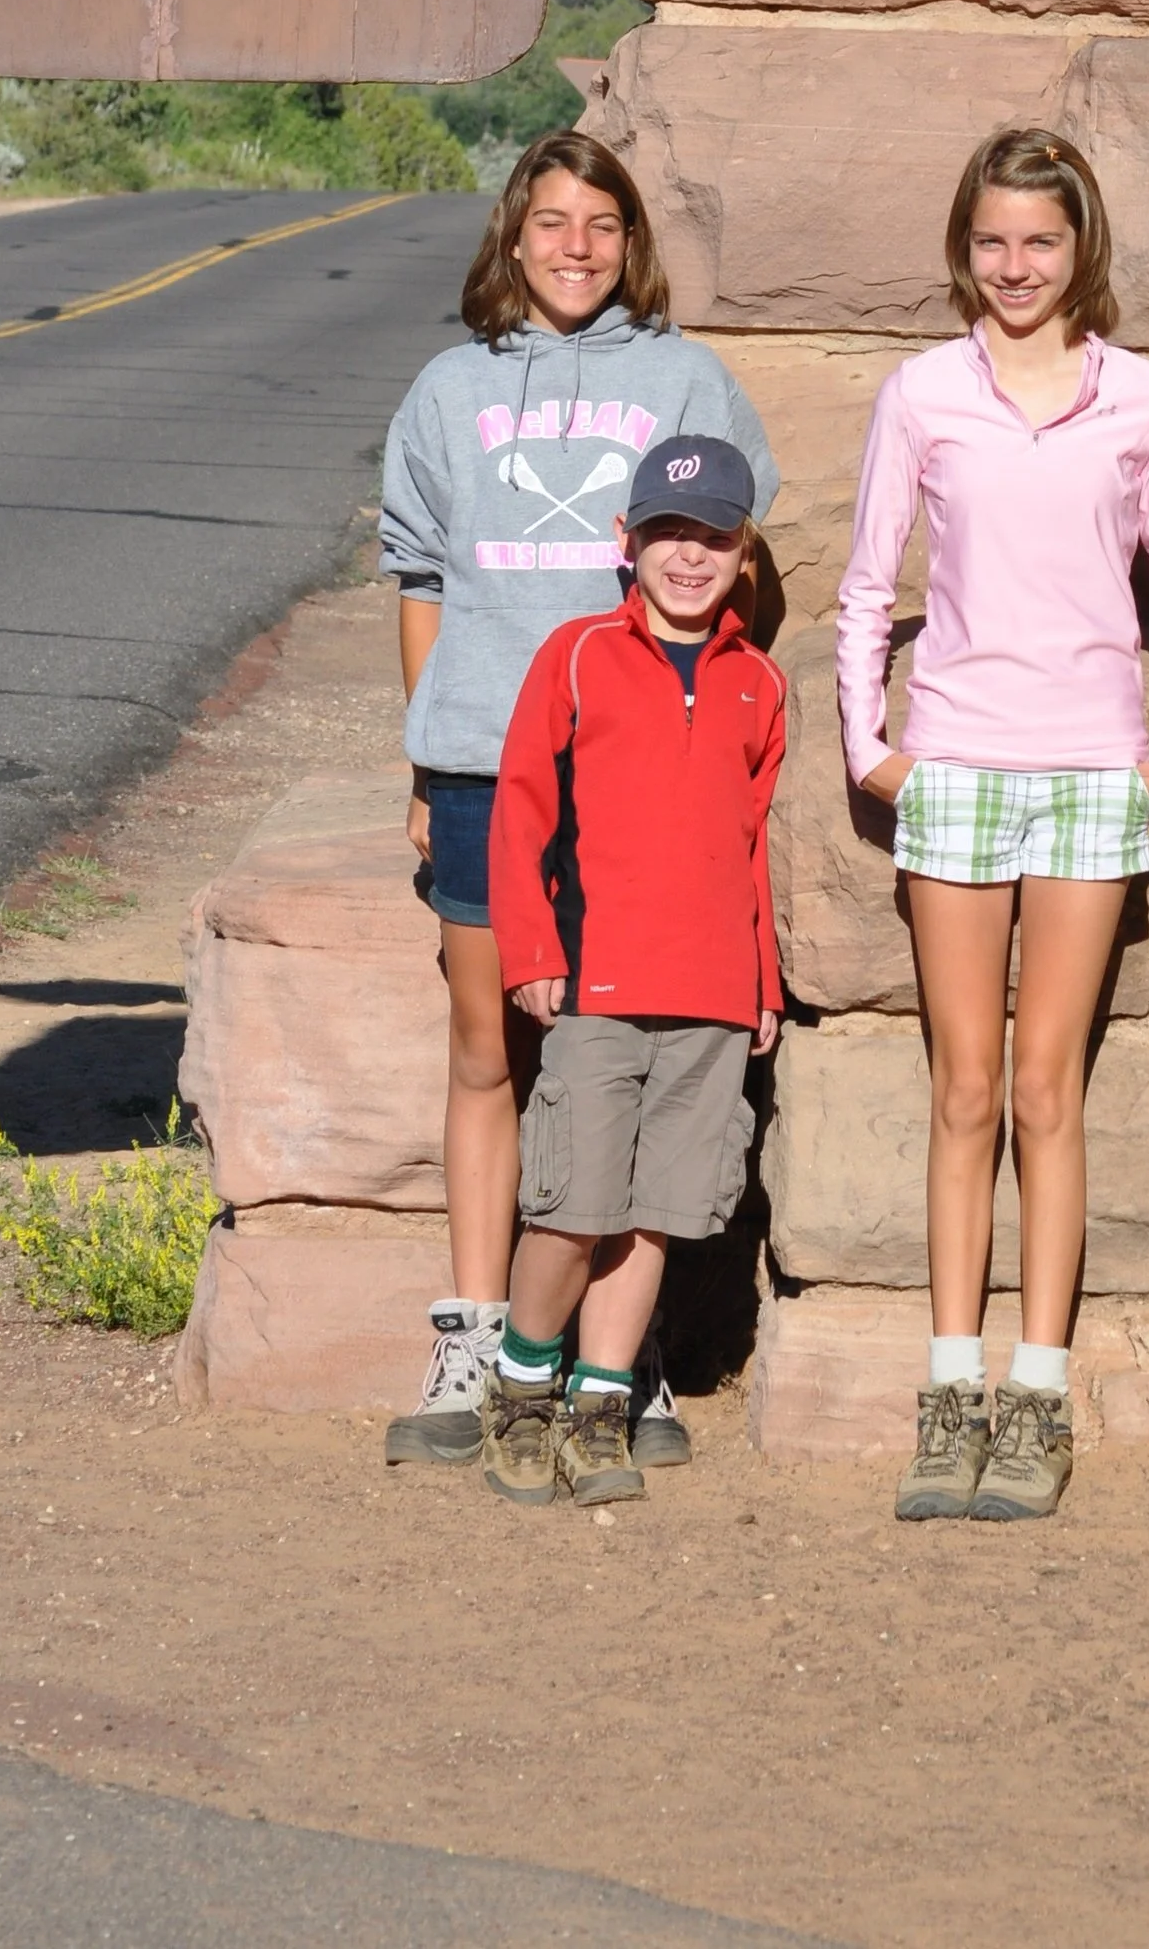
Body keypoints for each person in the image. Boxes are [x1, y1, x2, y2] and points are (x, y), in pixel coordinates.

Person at [375, 129, 777, 1466]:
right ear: (512, 234)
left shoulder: (684, 379)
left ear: (632, 240)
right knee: (495, 1051)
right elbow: (421, 582)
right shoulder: (445, 391)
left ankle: (619, 1355)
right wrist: (429, 757)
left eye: (602, 223)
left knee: (621, 1061)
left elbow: (735, 558)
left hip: (629, 793)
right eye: (552, 221)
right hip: (488, 762)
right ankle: (480, 1331)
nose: (576, 247)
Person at [836, 125, 1149, 1525]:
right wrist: (872, 749)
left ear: (1080, 250)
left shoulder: (1142, 399)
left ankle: (1036, 1394)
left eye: (1040, 243)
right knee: (964, 1093)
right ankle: (949, 1394)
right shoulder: (924, 394)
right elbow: (867, 582)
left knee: (1049, 1092)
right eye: (994, 241)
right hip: (958, 771)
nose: (1015, 266)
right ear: (965, 247)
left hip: (1089, 778)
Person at [479, 431, 785, 1507]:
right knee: (571, 1204)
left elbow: (753, 846)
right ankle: (520, 1388)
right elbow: (520, 813)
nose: (688, 557)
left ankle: (602, 1402)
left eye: (712, 537)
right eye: (666, 534)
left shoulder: (758, 681)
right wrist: (531, 949)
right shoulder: (575, 654)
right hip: (596, 984)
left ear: (743, 550)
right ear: (627, 540)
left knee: (653, 1212)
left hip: (709, 995)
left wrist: (762, 982)